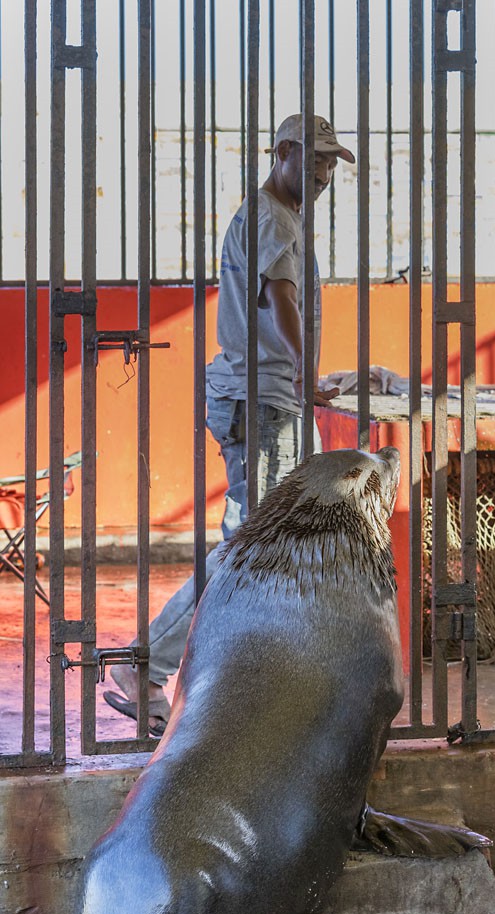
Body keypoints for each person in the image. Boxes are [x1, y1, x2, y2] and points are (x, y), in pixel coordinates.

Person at [103, 114, 354, 734]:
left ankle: (243, 674)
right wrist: (305, 373)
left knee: (275, 544)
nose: (325, 174)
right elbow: (279, 298)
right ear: (283, 152)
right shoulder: (272, 216)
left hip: (268, 396)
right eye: (317, 159)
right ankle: (144, 662)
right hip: (264, 400)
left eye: (331, 163)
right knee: (250, 547)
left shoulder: (276, 215)